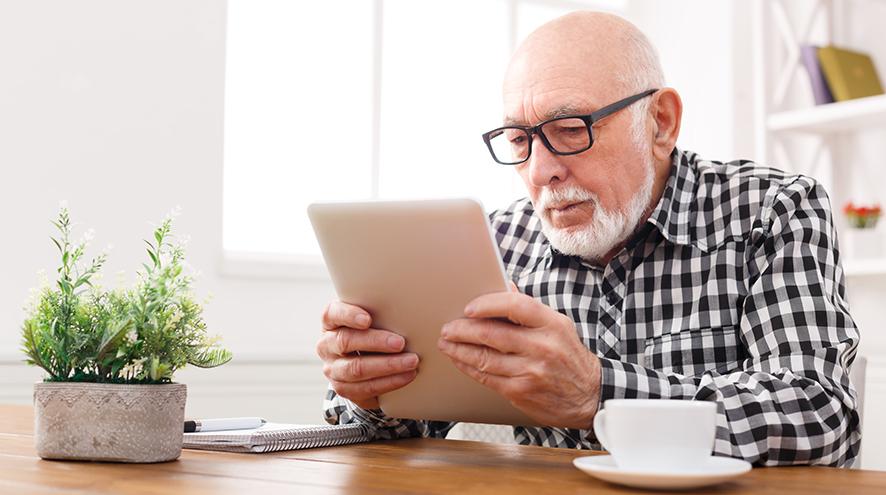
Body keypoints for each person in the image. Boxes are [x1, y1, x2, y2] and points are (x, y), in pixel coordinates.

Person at [316, 11, 861, 466]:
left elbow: (821, 415)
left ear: (661, 123)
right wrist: (371, 392)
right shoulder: (499, 243)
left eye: (571, 130)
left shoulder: (772, 209)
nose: (540, 171)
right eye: (518, 139)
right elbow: (402, 431)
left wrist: (598, 394)